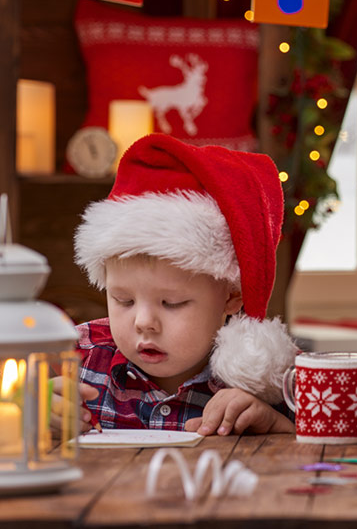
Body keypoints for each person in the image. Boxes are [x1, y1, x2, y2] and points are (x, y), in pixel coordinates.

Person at [54, 133, 297, 435]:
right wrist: (33, 415)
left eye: (171, 303)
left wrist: (274, 424)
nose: (144, 322)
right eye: (123, 300)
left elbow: (318, 457)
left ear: (232, 295)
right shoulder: (73, 362)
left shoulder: (275, 381)